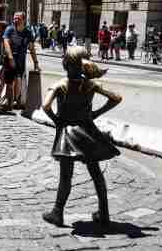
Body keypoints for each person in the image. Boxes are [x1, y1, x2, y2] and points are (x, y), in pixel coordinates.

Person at [41, 47, 122, 227]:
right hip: (88, 131)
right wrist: (96, 113)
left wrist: (57, 121)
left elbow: (45, 106)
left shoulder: (60, 85)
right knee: (96, 172)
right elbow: (116, 98)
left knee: (66, 176)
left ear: (67, 65)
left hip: (68, 134)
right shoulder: (90, 85)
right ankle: (104, 212)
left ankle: (58, 212)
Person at [2, 12, 40, 111]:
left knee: (18, 80)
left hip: (20, 61)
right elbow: (6, 44)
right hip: (10, 60)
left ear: (23, 20)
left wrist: (36, 62)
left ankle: (16, 101)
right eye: (14, 18)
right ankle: (9, 103)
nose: (15, 20)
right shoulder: (10, 29)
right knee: (9, 82)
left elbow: (32, 48)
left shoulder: (27, 32)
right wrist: (10, 58)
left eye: (18, 18)